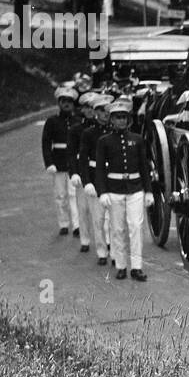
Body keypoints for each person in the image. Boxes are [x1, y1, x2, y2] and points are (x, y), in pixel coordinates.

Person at [93, 96, 152, 282]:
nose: (121, 121)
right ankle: (120, 265)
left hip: (135, 189)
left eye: (124, 117)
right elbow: (100, 168)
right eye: (117, 117)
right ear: (111, 119)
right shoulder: (104, 141)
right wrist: (102, 192)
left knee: (136, 227)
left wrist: (149, 191)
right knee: (117, 229)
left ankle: (136, 267)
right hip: (114, 190)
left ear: (129, 120)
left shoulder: (138, 139)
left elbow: (144, 167)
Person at [72, 93, 111, 264]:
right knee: (98, 218)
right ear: (95, 112)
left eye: (107, 110)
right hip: (96, 177)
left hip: (113, 177)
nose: (105, 114)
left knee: (115, 219)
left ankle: (115, 251)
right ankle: (102, 251)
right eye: (101, 110)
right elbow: (82, 159)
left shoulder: (115, 131)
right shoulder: (88, 133)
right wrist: (86, 181)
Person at [43, 86, 81, 237]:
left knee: (74, 195)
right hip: (58, 161)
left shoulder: (78, 121)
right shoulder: (52, 121)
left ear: (73, 104)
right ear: (59, 103)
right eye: (63, 101)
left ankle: (77, 225)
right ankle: (64, 223)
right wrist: (49, 163)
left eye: (69, 102)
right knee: (60, 196)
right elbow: (46, 143)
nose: (66, 104)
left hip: (74, 162)